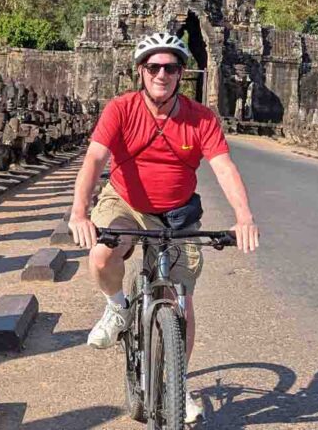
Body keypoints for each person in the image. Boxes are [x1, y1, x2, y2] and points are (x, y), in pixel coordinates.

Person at [69, 31, 260, 424]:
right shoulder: (121, 109)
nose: (161, 74)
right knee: (103, 254)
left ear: (181, 74)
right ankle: (117, 308)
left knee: (181, 303)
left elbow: (224, 167)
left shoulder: (200, 118)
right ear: (141, 72)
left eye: (170, 68)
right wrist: (79, 212)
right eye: (153, 67)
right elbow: (94, 160)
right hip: (125, 203)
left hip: (178, 213)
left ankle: (178, 383)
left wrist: (244, 217)